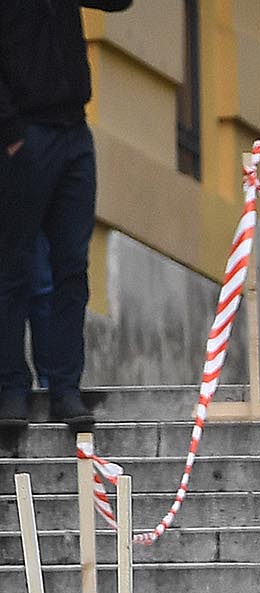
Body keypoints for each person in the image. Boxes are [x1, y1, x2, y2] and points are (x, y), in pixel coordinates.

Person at [0, 0, 133, 435]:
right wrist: (10, 131)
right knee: (14, 268)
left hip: (74, 133)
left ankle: (65, 387)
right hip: (26, 136)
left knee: (72, 267)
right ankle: (12, 388)